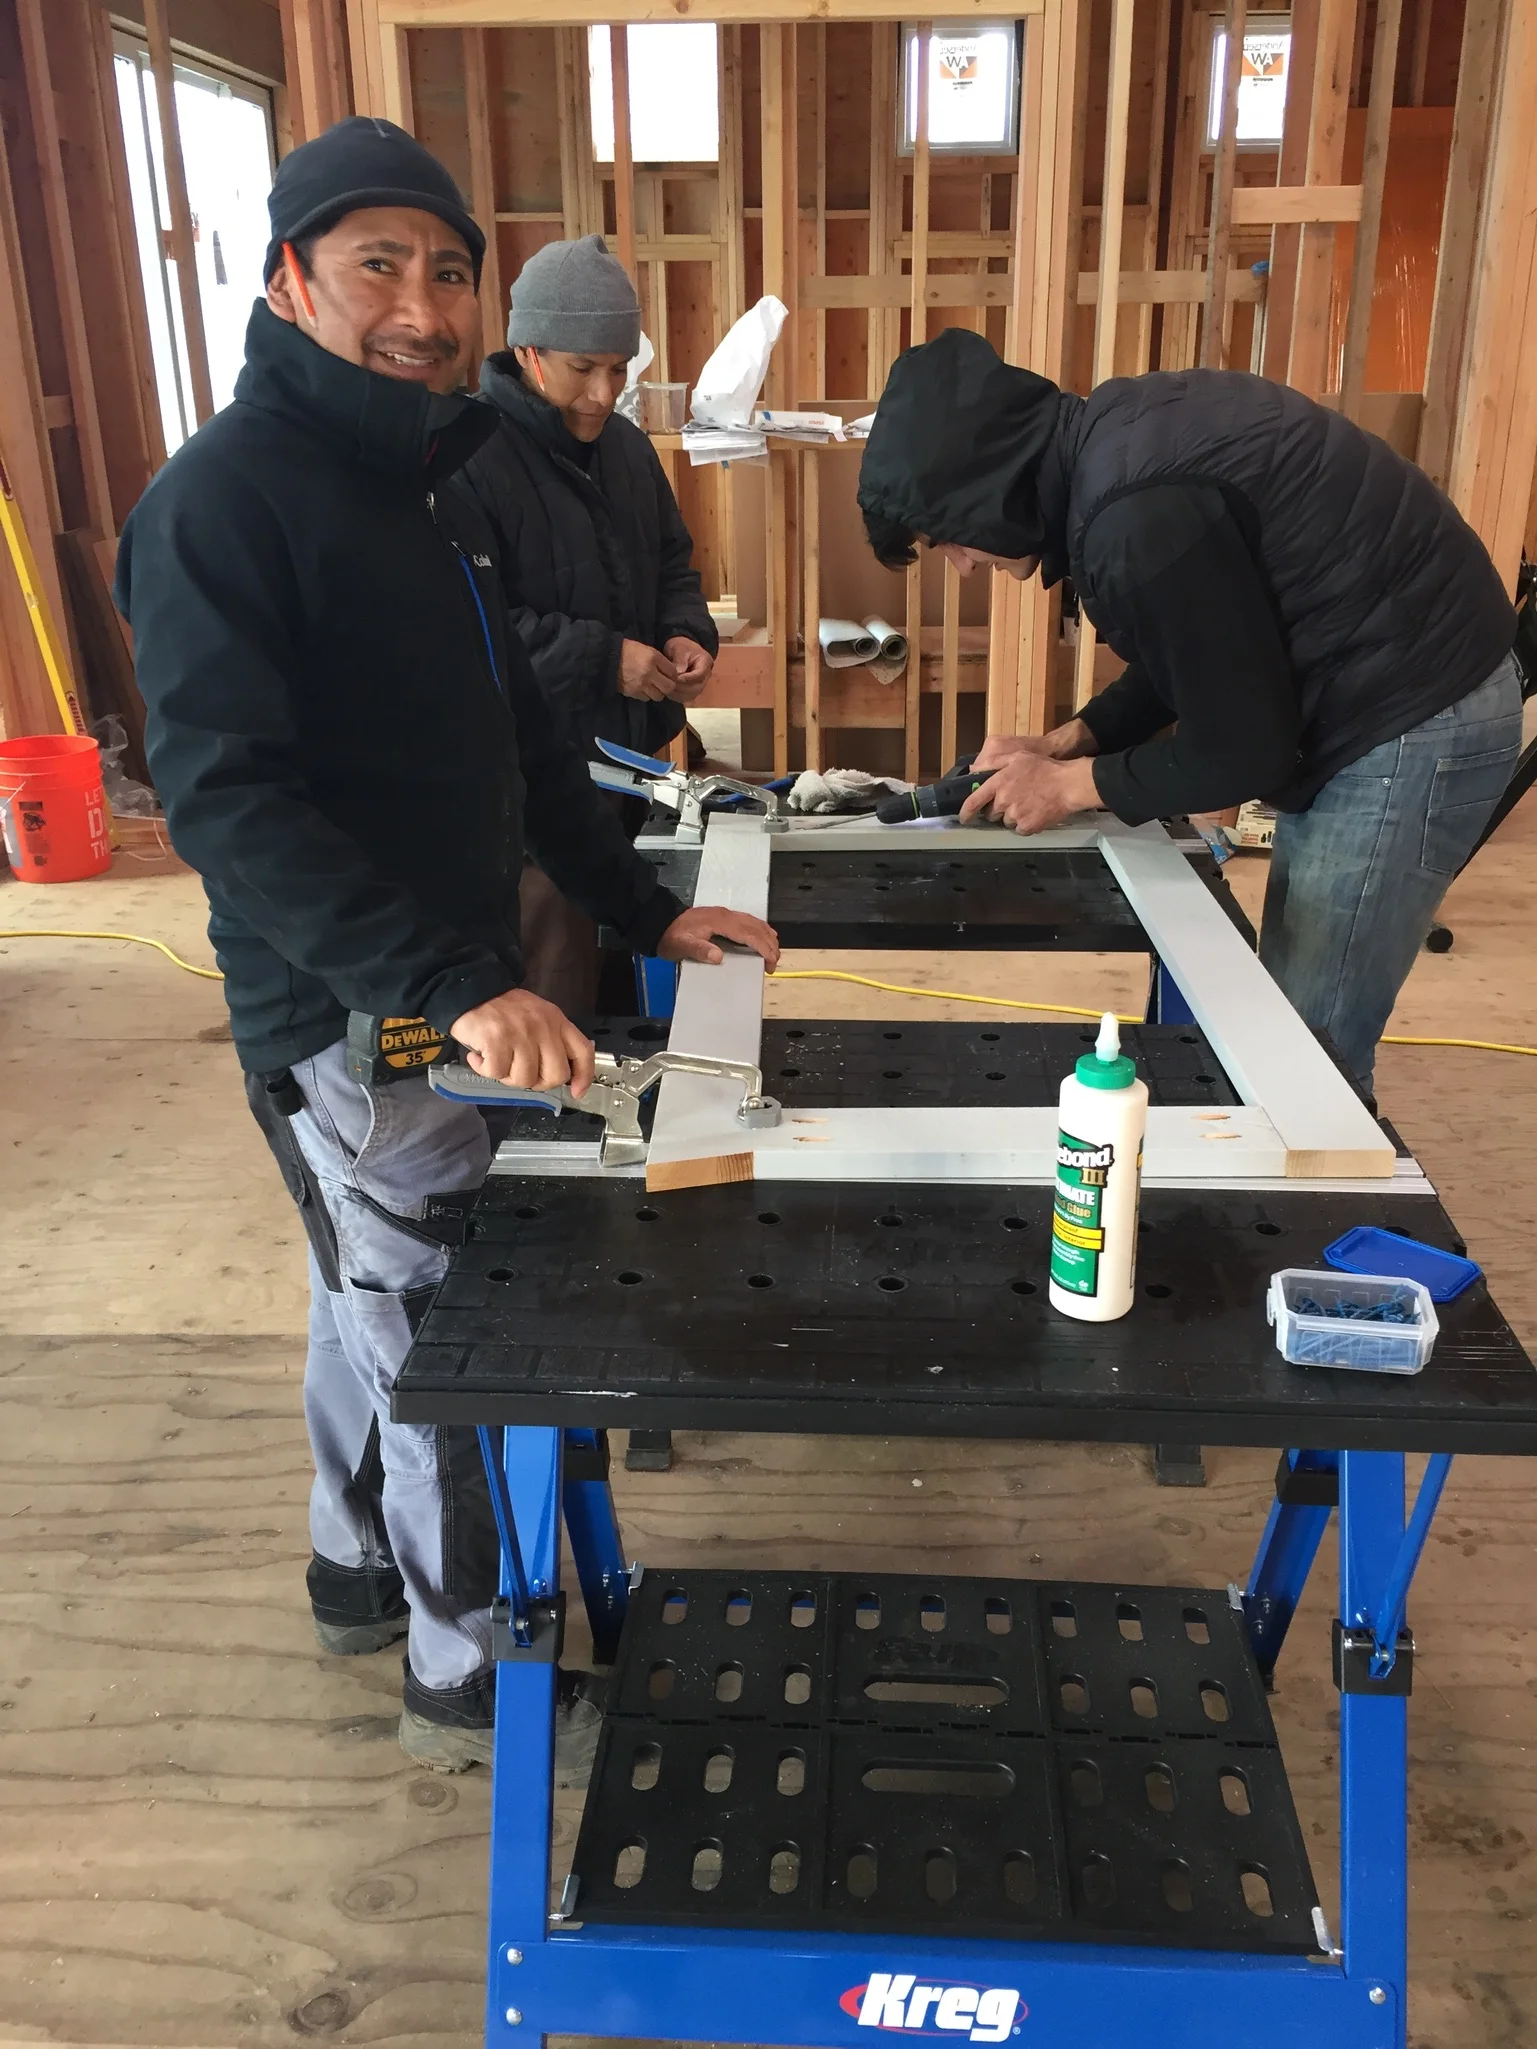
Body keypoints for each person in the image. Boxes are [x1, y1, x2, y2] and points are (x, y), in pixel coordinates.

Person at [114, 118, 778, 1776]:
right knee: (442, 1322)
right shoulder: (220, 506)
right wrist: (452, 985)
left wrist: (639, 907)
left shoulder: (431, 493)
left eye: (448, 269)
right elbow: (227, 804)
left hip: (438, 993)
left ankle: (354, 1566)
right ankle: (471, 1665)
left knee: (370, 1279)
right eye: (377, 266)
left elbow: (527, 754)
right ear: (289, 281)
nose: (421, 305)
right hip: (349, 1015)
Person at [857, 327, 1521, 1092]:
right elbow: (1199, 655)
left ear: (986, 487)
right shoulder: (1112, 444)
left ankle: (1324, 1157)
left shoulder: (1132, 517)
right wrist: (1067, 742)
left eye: (948, 539)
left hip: (1413, 710)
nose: (964, 566)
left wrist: (1068, 786)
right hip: (1397, 675)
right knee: (1288, 1028)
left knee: (1305, 1057)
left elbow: (1241, 751)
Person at [454, 234, 718, 1014]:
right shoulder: (469, 459)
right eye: (581, 369)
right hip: (534, 787)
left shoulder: (628, 450)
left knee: (630, 957)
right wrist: (603, 659)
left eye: (618, 368)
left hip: (631, 762)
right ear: (526, 352)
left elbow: (672, 562)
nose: (603, 394)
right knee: (555, 976)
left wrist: (684, 633)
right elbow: (470, 628)